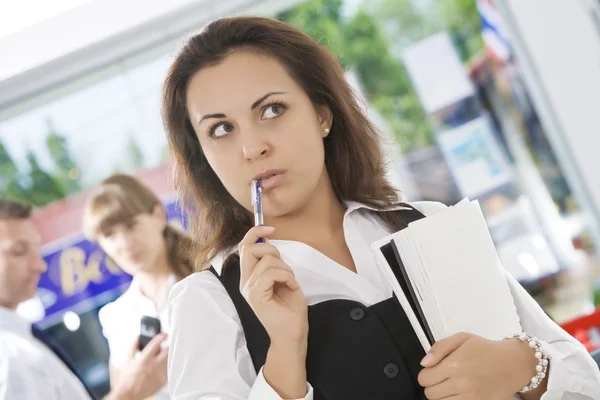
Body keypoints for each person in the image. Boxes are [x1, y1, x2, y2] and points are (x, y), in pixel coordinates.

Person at [161, 16, 600, 400]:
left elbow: (585, 381)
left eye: (272, 109)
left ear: (322, 115)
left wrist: (523, 367)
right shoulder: (209, 304)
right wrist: (284, 354)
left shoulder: (426, 225)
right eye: (220, 129)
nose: (253, 147)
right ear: (203, 157)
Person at [0, 198, 169, 400]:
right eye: (19, 251)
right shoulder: (8, 355)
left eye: (35, 249)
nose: (39, 266)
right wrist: (130, 391)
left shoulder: (20, 340)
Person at [83, 174, 194, 400]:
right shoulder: (116, 316)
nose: (124, 243)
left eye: (131, 224)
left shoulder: (210, 275)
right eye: (109, 235)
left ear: (158, 215)